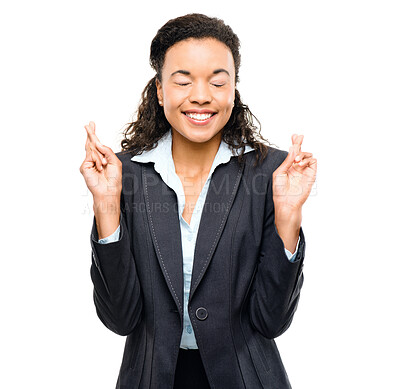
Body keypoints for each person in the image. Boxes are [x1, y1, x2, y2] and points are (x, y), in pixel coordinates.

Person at [80, 13, 317, 389]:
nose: (202, 95)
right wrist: (106, 205)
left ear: (233, 90)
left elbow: (271, 321)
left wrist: (288, 217)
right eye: (183, 80)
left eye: (217, 81)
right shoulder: (122, 175)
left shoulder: (271, 172)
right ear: (160, 91)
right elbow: (120, 319)